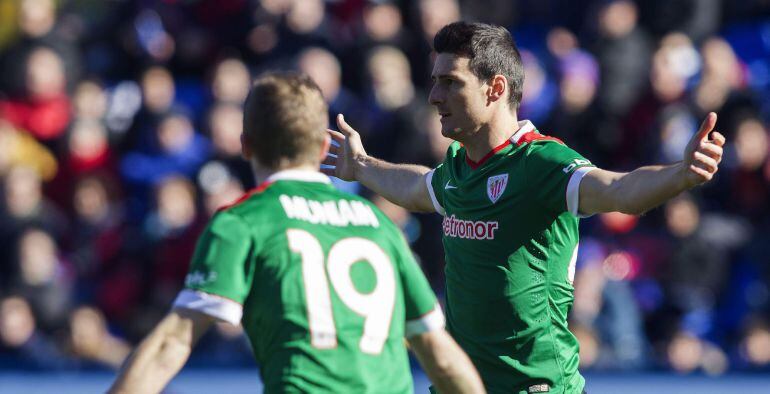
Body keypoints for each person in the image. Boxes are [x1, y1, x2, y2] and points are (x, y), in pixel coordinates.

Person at [323, 22, 726, 394]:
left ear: (495, 88)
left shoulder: (542, 163)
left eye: (450, 83)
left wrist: (680, 174)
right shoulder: (459, 167)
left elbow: (619, 189)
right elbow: (416, 187)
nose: (434, 96)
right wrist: (361, 166)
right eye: (434, 82)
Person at [108, 72, 484, 394]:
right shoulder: (378, 225)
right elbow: (439, 353)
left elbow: (171, 344)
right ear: (324, 146)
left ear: (245, 145)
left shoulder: (243, 221)